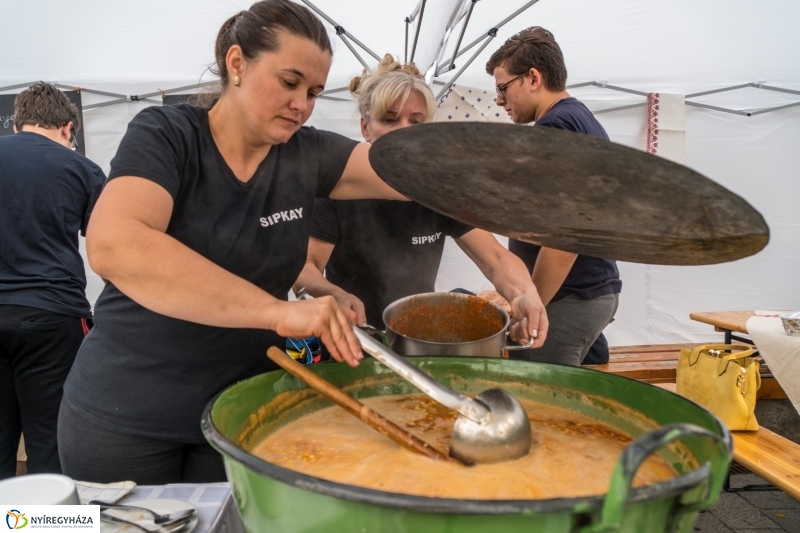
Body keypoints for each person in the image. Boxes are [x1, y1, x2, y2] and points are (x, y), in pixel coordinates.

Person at [57, 1, 546, 484]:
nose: (302, 104)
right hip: (124, 415)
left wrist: (539, 181)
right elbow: (116, 245)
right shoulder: (168, 136)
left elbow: (417, 176)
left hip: (241, 409)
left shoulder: (306, 155)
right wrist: (278, 312)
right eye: (289, 83)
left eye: (313, 91)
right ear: (237, 64)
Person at [293, 55, 548, 341]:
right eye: (390, 119)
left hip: (418, 338)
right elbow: (304, 267)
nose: (404, 132)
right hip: (356, 340)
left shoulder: (436, 190)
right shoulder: (339, 190)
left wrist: (525, 293)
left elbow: (496, 259)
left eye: (416, 122)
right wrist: (334, 294)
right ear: (366, 128)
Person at [485, 27, 622, 367]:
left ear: (533, 77)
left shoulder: (555, 128)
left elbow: (564, 237)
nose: (500, 100)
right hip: (587, 293)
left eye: (503, 88)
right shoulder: (579, 118)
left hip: (571, 297)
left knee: (543, 404)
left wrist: (532, 307)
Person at [0, 83, 106, 479]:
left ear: (17, 125)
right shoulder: (82, 168)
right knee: (50, 446)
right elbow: (109, 248)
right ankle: (52, 522)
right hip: (52, 315)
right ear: (67, 128)